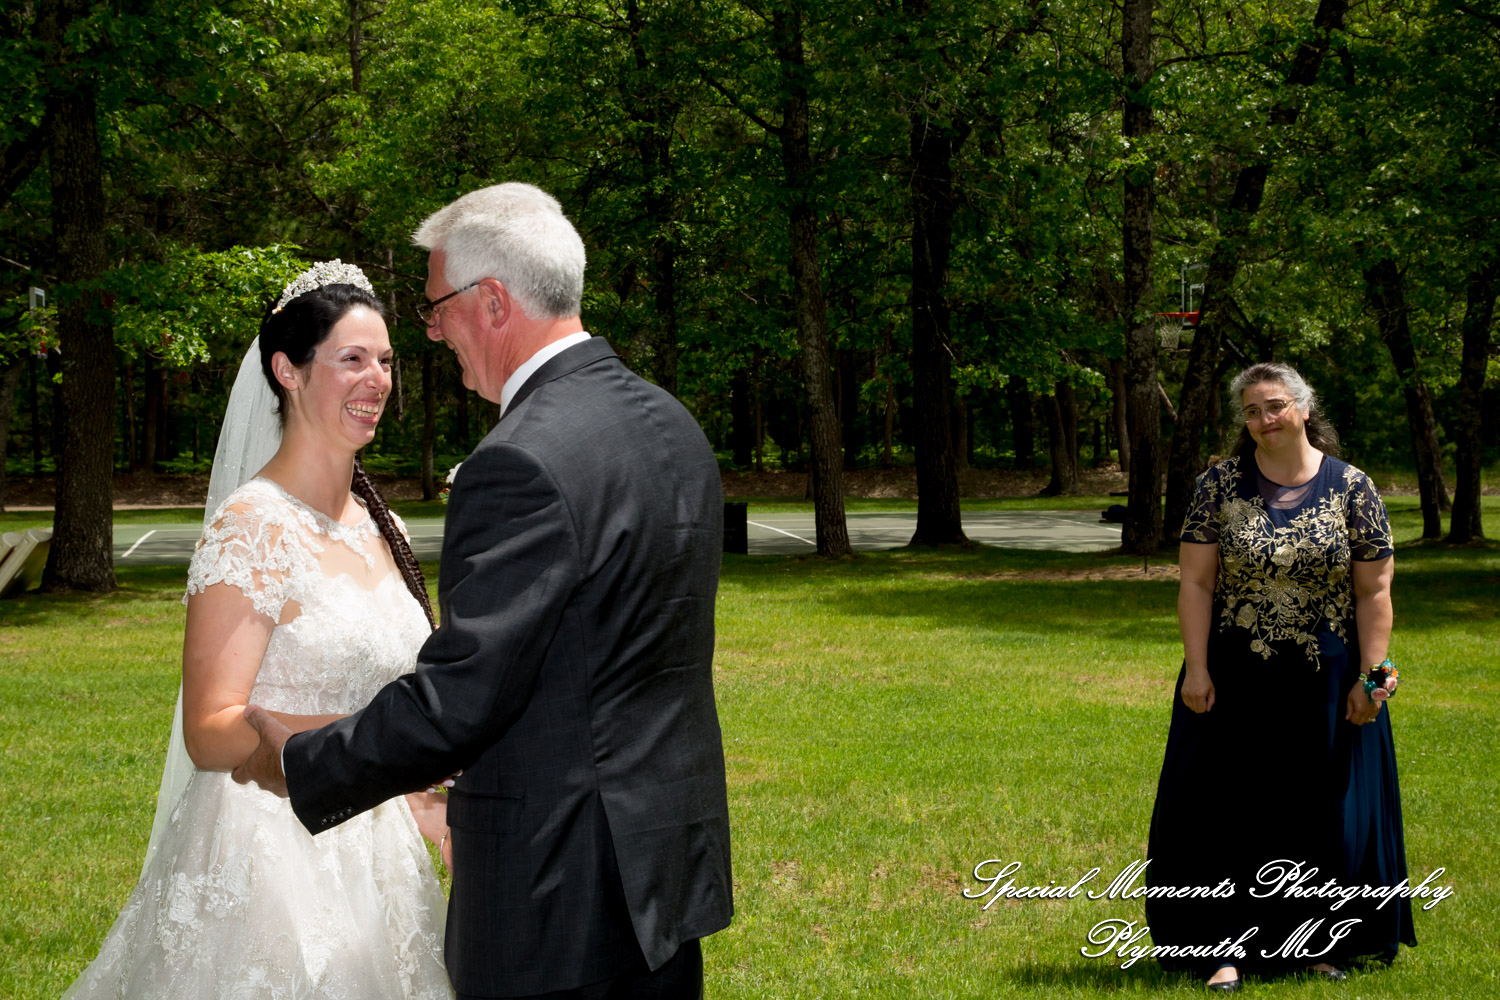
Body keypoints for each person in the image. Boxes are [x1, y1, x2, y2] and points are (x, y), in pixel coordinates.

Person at [232, 183, 733, 1000]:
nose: (433, 335)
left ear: (491, 301)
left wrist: (299, 759)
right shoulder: (671, 423)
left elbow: (463, 699)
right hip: (661, 879)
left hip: (552, 898)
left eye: (435, 311)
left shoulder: (519, 460)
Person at [63, 262, 455, 998]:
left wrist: (429, 803)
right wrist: (379, 742)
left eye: (386, 361)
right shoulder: (253, 526)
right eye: (351, 358)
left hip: (379, 858)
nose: (377, 379)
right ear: (288, 370)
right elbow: (210, 730)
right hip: (271, 857)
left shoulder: (386, 526)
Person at [1145, 361, 1415, 992]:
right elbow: (1195, 581)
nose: (1263, 421)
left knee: (1321, 807)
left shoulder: (1353, 487)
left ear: (1301, 407)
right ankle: (1222, 952)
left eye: (1273, 406)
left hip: (1329, 679)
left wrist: (1374, 677)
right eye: (1250, 411)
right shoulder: (1218, 485)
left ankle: (1321, 943)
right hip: (1235, 675)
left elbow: (1376, 591)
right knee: (1226, 810)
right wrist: (1197, 667)